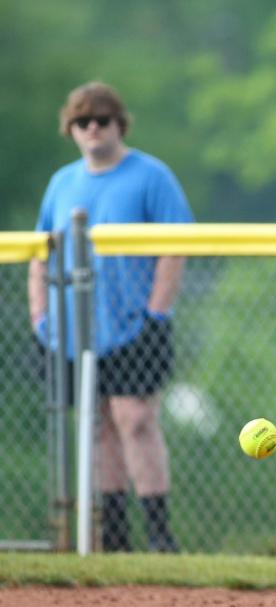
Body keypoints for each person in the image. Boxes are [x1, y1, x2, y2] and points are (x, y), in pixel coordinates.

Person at [28, 81, 193, 553]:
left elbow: (175, 246)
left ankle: (159, 533)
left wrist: (156, 312)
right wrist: (40, 314)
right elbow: (40, 253)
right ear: (71, 129)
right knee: (96, 423)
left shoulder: (150, 175)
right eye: (82, 121)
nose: (93, 128)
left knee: (135, 419)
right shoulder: (62, 182)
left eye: (102, 119)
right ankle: (115, 536)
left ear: (119, 123)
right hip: (75, 328)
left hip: (134, 323)